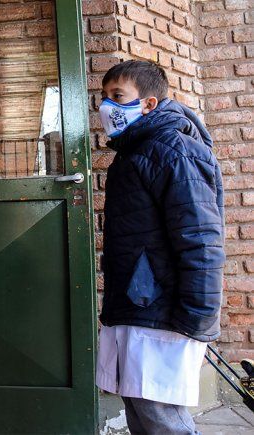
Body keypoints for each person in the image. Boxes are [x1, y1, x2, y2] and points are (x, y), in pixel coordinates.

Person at [96, 60, 225, 434]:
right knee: (140, 408)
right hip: (140, 304)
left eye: (118, 95)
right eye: (105, 96)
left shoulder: (173, 150)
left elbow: (200, 238)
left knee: (160, 416)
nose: (107, 106)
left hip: (162, 309)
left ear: (148, 103)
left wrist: (198, 316)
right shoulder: (135, 152)